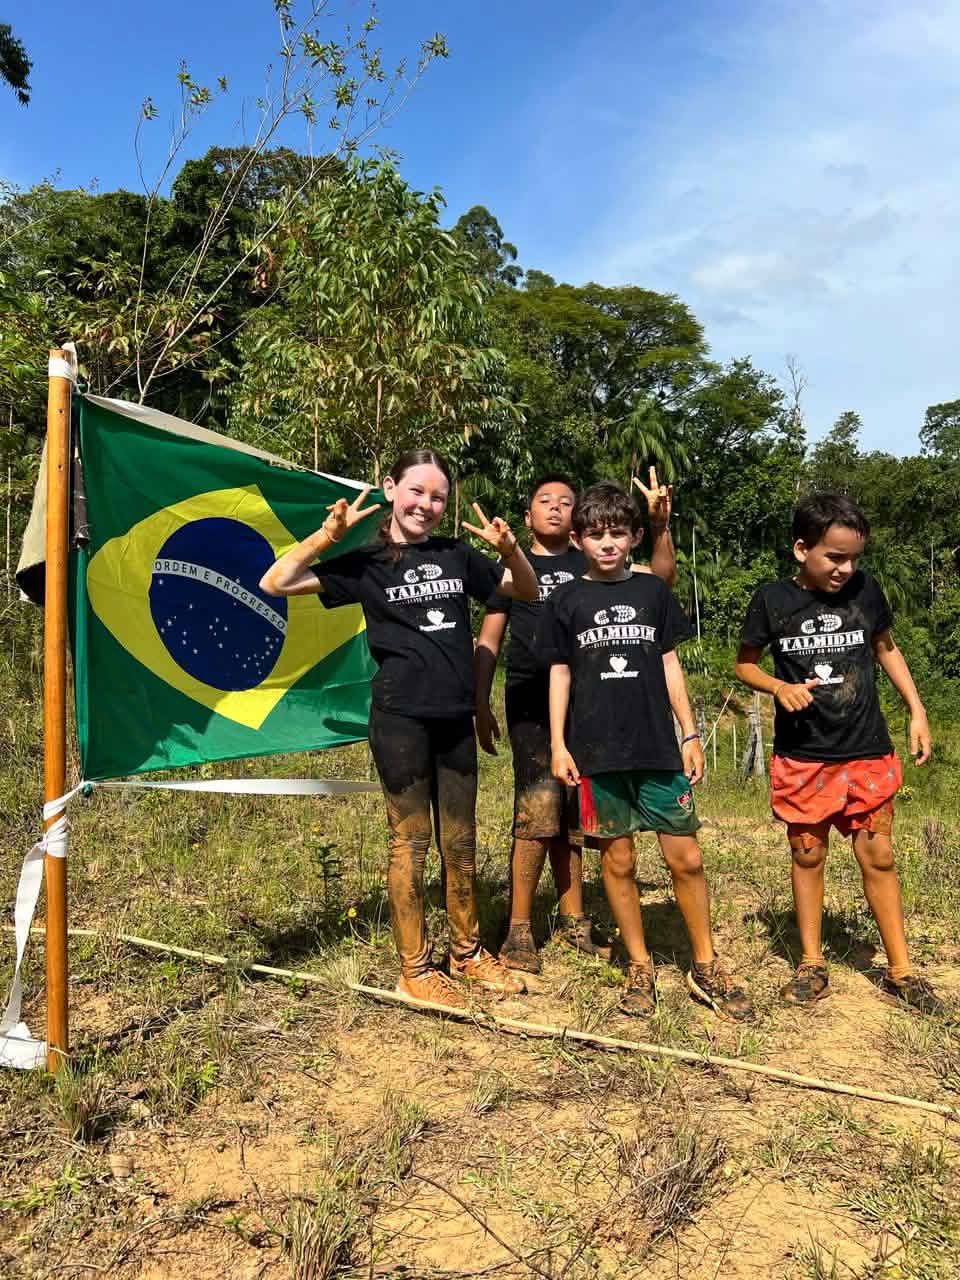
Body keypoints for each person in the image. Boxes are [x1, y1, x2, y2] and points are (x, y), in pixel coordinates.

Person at [260, 448, 539, 1010]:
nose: (427, 505)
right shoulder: (366, 563)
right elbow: (275, 581)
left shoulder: (458, 555)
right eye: (417, 491)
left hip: (455, 718)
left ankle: (466, 954)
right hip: (399, 720)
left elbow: (525, 591)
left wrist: (509, 549)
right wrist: (325, 536)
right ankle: (414, 969)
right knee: (409, 843)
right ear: (391, 489)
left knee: (460, 841)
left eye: (438, 496)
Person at [543, 481, 753, 1018]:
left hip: (659, 749)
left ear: (635, 536)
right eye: (595, 535)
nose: (607, 543)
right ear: (578, 539)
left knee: (686, 857)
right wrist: (558, 744)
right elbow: (560, 673)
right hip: (596, 753)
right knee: (617, 860)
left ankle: (705, 963)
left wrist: (689, 733)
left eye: (617, 533)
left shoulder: (653, 593)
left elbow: (669, 665)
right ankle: (638, 965)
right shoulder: (566, 599)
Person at [734, 492, 944, 1014]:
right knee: (808, 854)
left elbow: (885, 648)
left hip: (866, 749)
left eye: (853, 558)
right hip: (804, 755)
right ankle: (811, 962)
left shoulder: (866, 592)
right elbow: (744, 665)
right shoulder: (772, 600)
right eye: (835, 557)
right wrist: (778, 688)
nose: (845, 569)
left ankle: (901, 969)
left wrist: (916, 710)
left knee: (880, 855)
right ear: (801, 548)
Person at [474, 469, 677, 974]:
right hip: (531, 701)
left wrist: (659, 525)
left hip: (593, 704)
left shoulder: (593, 561)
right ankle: (518, 928)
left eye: (566, 501)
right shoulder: (513, 566)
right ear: (527, 515)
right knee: (537, 807)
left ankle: (574, 921)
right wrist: (480, 702)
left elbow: (661, 578)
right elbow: (491, 637)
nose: (556, 508)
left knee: (578, 814)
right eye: (545, 501)